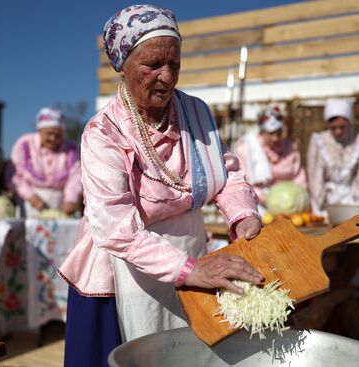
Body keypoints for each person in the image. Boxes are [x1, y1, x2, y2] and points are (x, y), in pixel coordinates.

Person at [58, 5, 264, 367]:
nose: (167, 77)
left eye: (175, 64)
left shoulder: (196, 112)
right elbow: (117, 230)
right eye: (153, 65)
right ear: (122, 65)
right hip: (123, 267)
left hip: (192, 255)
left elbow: (227, 172)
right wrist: (192, 271)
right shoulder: (102, 133)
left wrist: (242, 215)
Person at [306, 98, 359, 216]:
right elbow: (316, 176)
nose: (338, 132)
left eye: (342, 127)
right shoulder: (319, 142)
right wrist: (321, 202)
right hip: (327, 200)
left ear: (350, 123)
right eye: (333, 128)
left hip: (353, 198)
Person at [7, 107, 82, 217]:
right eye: (49, 133)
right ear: (39, 130)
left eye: (58, 135)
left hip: (61, 204)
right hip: (29, 203)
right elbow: (14, 175)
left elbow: (76, 175)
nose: (53, 138)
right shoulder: (24, 144)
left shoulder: (72, 148)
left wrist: (71, 199)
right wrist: (30, 196)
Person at [235, 105, 307, 214]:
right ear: (262, 131)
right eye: (271, 133)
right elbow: (245, 182)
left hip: (291, 207)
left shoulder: (290, 147)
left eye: (278, 133)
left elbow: (299, 175)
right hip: (258, 206)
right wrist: (270, 199)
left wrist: (297, 197)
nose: (276, 138)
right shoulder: (247, 149)